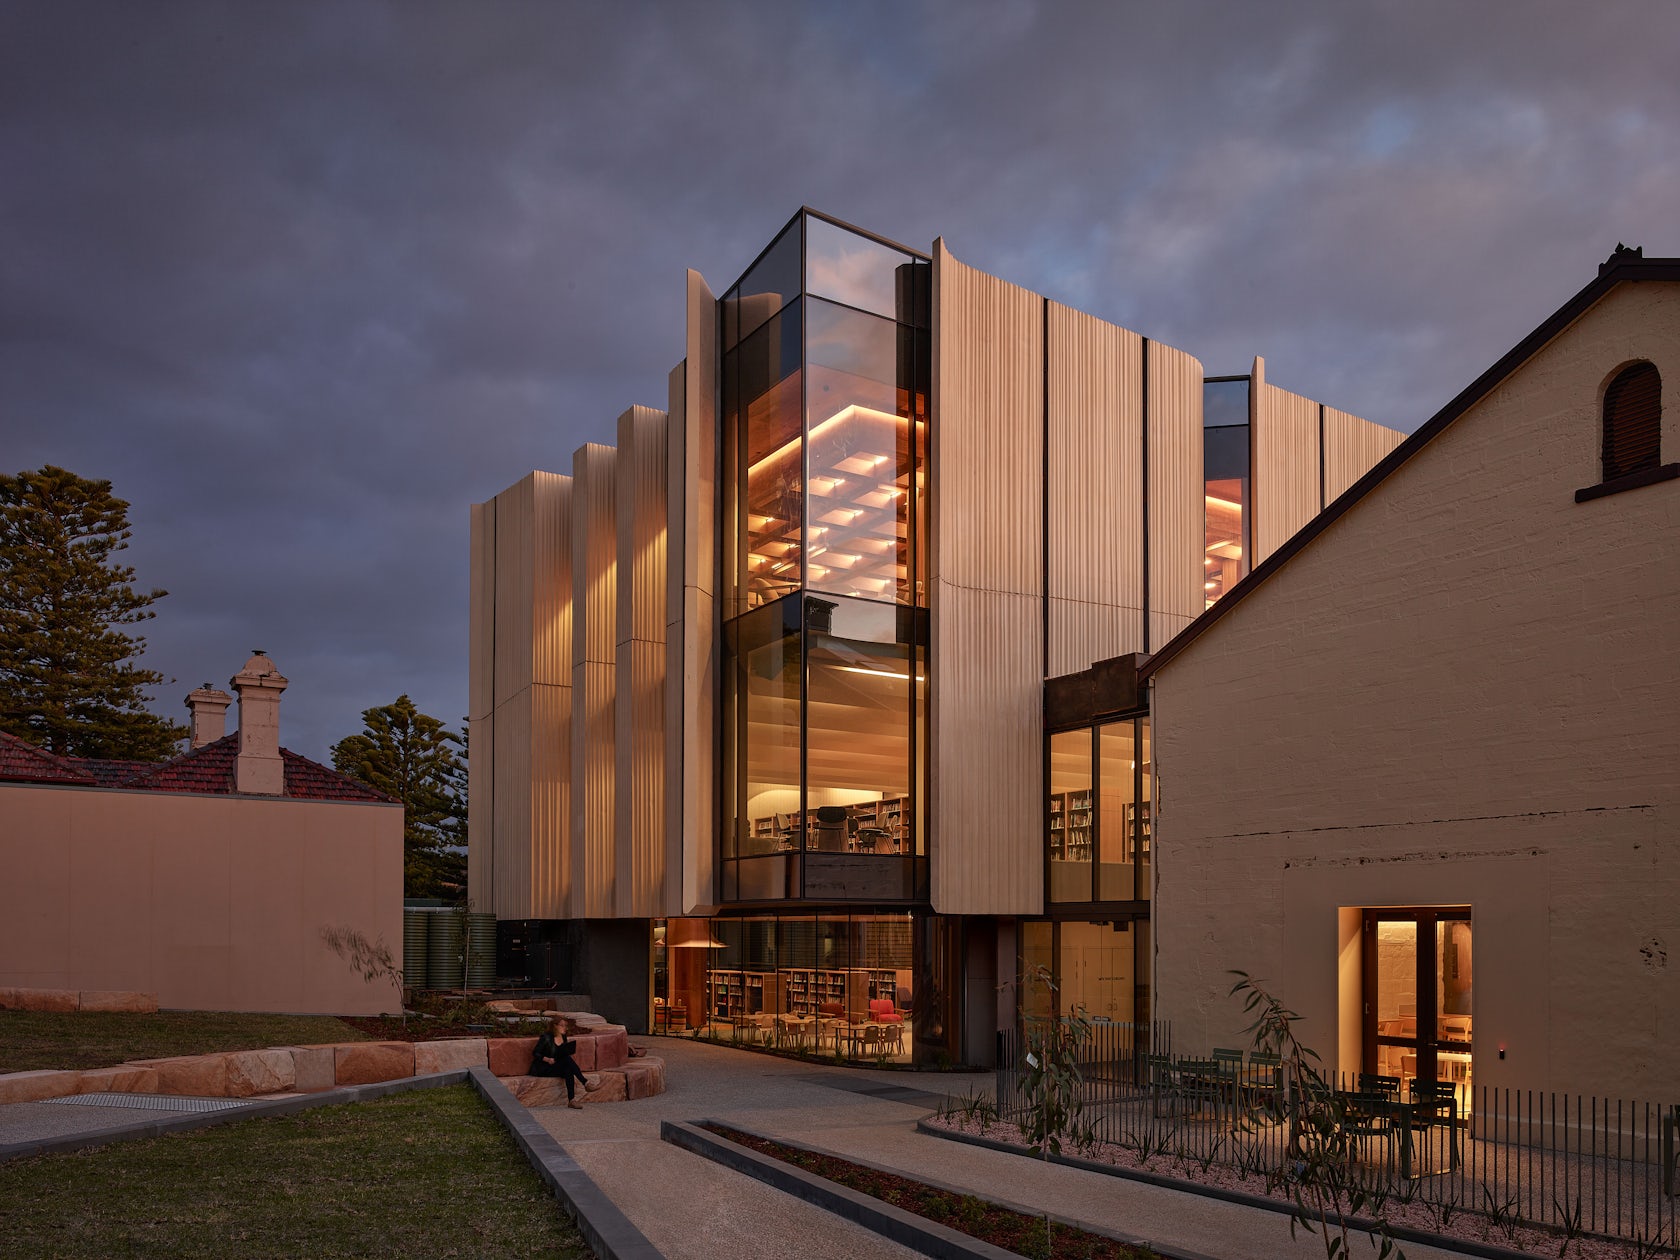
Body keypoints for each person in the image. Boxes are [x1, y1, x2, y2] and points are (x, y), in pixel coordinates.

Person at [530, 1024, 598, 1109]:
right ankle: (585, 1082)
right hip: (544, 1067)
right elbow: (535, 1053)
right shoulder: (546, 1037)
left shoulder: (563, 1037)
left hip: (556, 1065)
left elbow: (561, 1053)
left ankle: (572, 1100)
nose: (565, 1027)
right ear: (555, 1026)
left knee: (568, 1069)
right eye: (562, 1025)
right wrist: (547, 1059)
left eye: (565, 1025)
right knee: (567, 1059)